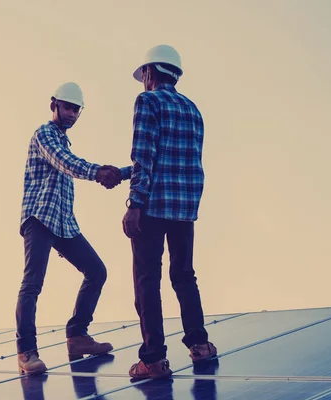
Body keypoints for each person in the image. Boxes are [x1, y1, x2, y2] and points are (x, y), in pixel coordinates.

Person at [121, 45, 217, 379]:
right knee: (184, 275)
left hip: (152, 206)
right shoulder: (193, 109)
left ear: (149, 73)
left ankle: (153, 359)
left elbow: (144, 156)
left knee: (147, 280)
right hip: (184, 208)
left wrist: (134, 204)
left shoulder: (147, 102)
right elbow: (187, 160)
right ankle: (199, 344)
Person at [16, 82, 121, 375]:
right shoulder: (45, 134)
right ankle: (26, 352)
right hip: (39, 218)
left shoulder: (63, 139)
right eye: (68, 107)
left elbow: (69, 170)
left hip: (63, 223)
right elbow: (66, 164)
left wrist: (120, 172)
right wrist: (99, 171)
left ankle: (77, 336)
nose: (73, 114)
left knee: (96, 271)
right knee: (33, 282)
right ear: (54, 105)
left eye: (77, 110)